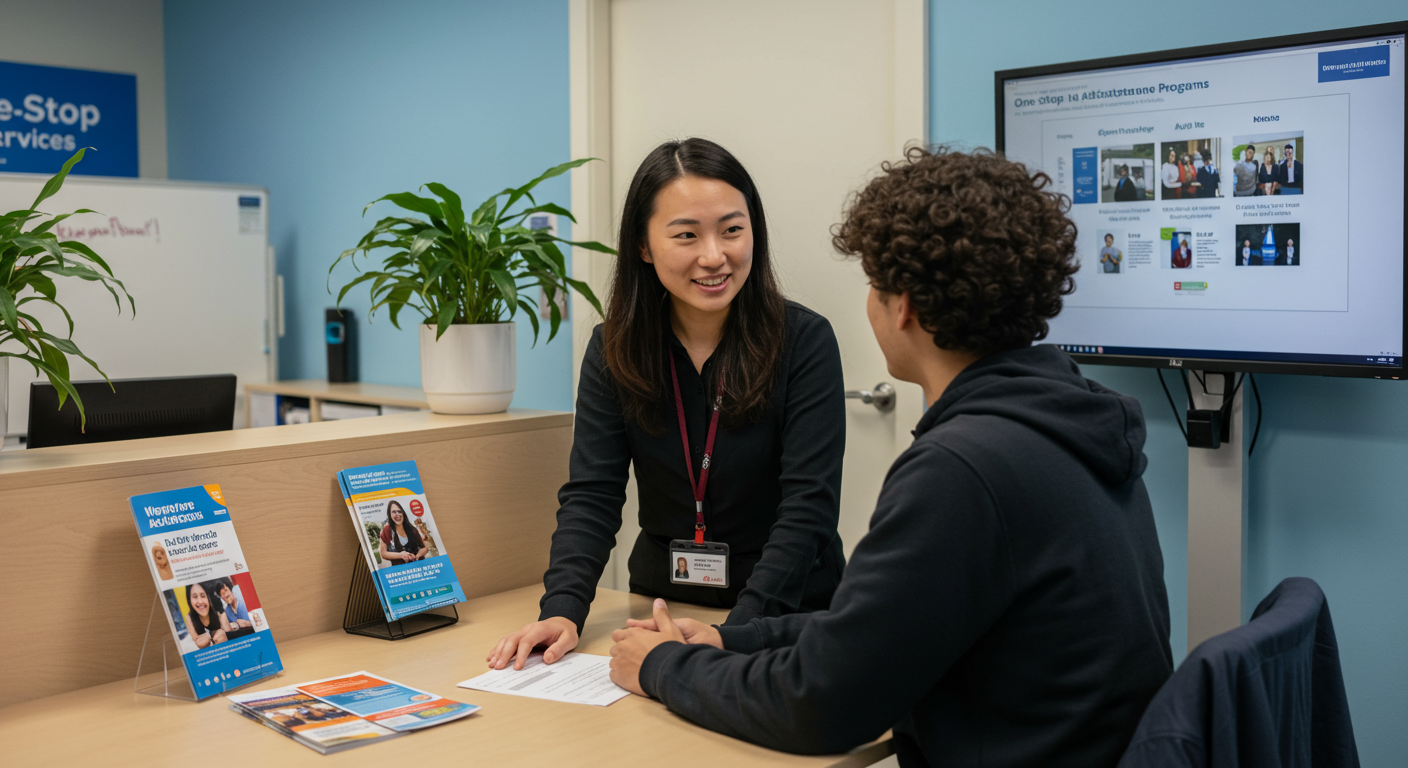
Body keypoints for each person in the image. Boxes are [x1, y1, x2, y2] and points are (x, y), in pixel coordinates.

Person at [607, 146, 1172, 767]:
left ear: (902, 306)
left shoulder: (964, 469)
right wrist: (731, 638)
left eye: (873, 285)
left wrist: (664, 665)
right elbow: (881, 625)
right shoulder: (1069, 421)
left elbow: (821, 706)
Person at [486, 138, 847, 671]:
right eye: (686, 235)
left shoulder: (804, 341)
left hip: (783, 613)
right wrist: (563, 609)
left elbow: (808, 508)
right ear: (644, 246)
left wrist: (737, 634)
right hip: (659, 608)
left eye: (732, 229)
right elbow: (593, 493)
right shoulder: (615, 349)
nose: (714, 255)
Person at [378, 500, 426, 567]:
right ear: (390, 514)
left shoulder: (412, 529)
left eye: (399, 511)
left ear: (403, 513)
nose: (398, 514)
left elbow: (424, 548)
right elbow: (383, 553)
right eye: (394, 512)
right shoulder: (387, 529)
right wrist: (401, 555)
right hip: (400, 571)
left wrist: (417, 556)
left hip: (418, 567)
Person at [186, 581, 233, 648]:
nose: (200, 601)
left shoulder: (217, 609)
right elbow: (199, 645)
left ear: (208, 597)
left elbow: (228, 631)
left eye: (203, 596)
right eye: (195, 597)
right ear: (189, 600)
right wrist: (213, 638)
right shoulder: (189, 618)